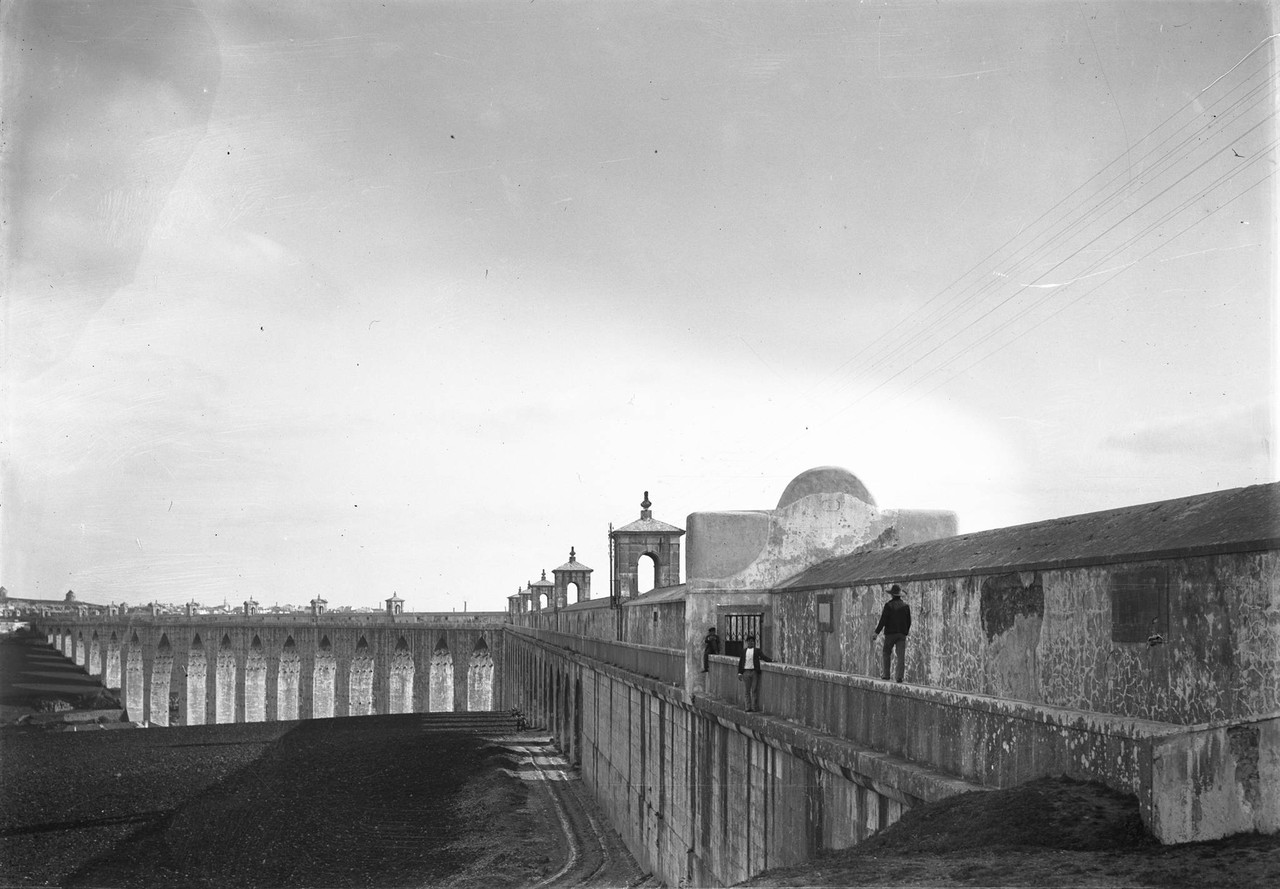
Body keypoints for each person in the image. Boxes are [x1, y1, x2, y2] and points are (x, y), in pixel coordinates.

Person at [871, 584, 911, 683]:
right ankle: (899, 677)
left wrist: (876, 632)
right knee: (901, 656)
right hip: (901, 634)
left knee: (886, 653)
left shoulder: (888, 606)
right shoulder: (906, 606)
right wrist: (905, 632)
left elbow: (883, 620)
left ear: (892, 595)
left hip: (890, 634)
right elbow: (909, 621)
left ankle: (886, 675)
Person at [736, 634, 772, 712]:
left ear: (754, 642)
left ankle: (754, 707)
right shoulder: (744, 651)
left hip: (754, 671)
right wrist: (739, 673)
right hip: (745, 671)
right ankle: (747, 707)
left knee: (754, 690)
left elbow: (763, 657)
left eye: (752, 641)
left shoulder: (757, 650)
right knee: (747, 691)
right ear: (747, 642)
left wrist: (771, 660)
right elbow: (741, 662)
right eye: (749, 641)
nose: (751, 643)